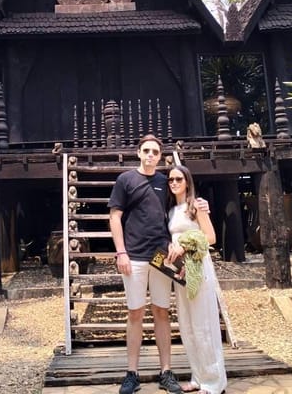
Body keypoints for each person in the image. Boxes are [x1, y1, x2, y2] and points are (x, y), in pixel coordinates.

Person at [108, 134, 184, 394]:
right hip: (134, 255)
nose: (151, 155)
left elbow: (178, 213)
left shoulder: (166, 181)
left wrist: (200, 206)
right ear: (139, 153)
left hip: (161, 255)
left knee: (162, 312)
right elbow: (115, 217)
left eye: (155, 152)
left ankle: (166, 371)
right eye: (147, 151)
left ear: (160, 156)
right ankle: (132, 373)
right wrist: (121, 253)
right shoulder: (126, 180)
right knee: (135, 313)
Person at [166, 164, 227, 394]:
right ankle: (198, 376)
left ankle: (214, 382)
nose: (174, 183)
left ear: (187, 182)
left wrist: (184, 244)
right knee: (187, 325)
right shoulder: (171, 211)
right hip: (180, 271)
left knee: (204, 325)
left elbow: (210, 237)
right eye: (171, 179)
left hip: (198, 266)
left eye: (178, 179)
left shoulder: (196, 206)